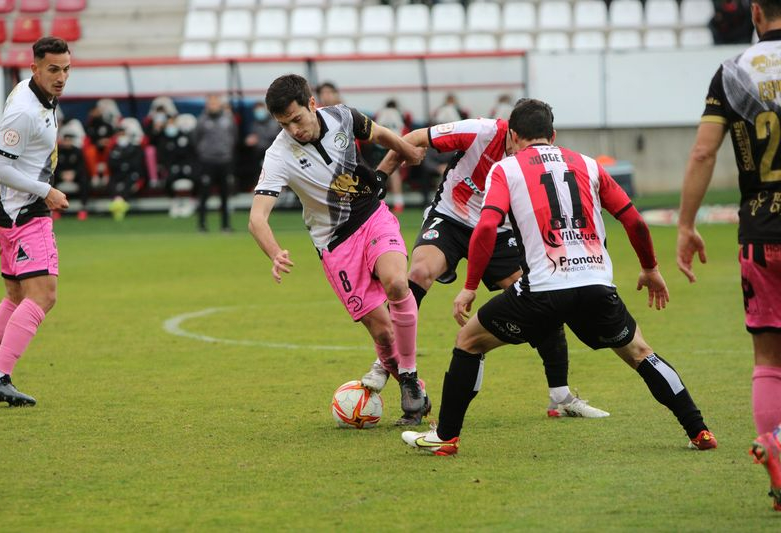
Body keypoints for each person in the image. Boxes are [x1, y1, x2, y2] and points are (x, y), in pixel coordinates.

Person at [402, 98, 717, 455]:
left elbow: (487, 226)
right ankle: (699, 430)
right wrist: (650, 268)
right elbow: (634, 220)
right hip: (597, 285)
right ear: (552, 134)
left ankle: (445, 437)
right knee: (641, 352)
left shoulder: (506, 169)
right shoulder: (587, 164)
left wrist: (470, 287)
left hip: (544, 289)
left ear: (514, 135)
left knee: (469, 341)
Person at [376, 116, 609, 418]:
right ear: (511, 134)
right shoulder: (481, 131)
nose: (526, 152)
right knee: (419, 273)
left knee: (543, 299)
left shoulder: (541, 158)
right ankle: (388, 363)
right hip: (451, 218)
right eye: (519, 145)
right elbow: (418, 136)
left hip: (498, 233)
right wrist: (379, 177)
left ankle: (560, 397)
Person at [249, 74, 429, 425]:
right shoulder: (278, 156)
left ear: (312, 104)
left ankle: (408, 380)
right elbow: (257, 218)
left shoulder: (342, 116)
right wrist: (273, 252)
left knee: (396, 283)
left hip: (373, 216)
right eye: (284, 125)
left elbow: (378, 133)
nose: (294, 130)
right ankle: (414, 387)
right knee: (382, 332)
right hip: (334, 244)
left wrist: (408, 152)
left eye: (297, 119)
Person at [677, 0, 781, 511]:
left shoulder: (733, 72)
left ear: (756, 13)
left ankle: (777, 464)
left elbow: (702, 152)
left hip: (760, 231)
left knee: (768, 356)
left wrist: (685, 224)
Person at [0, 37, 71, 406]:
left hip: (7, 209)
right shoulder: (24, 110)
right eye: (53, 69)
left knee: (16, 295)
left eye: (66, 68)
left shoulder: (36, 93)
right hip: (25, 212)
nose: (61, 77)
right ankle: (0, 376)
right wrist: (45, 191)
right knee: (44, 296)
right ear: (35, 68)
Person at [196, 94, 237, 232]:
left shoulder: (228, 119)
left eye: (215, 103)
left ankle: (225, 225)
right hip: (207, 162)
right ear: (207, 105)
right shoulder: (202, 120)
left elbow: (233, 136)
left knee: (225, 196)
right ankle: (202, 225)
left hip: (224, 161)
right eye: (210, 103)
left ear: (219, 104)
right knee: (204, 194)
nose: (213, 106)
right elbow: (196, 138)